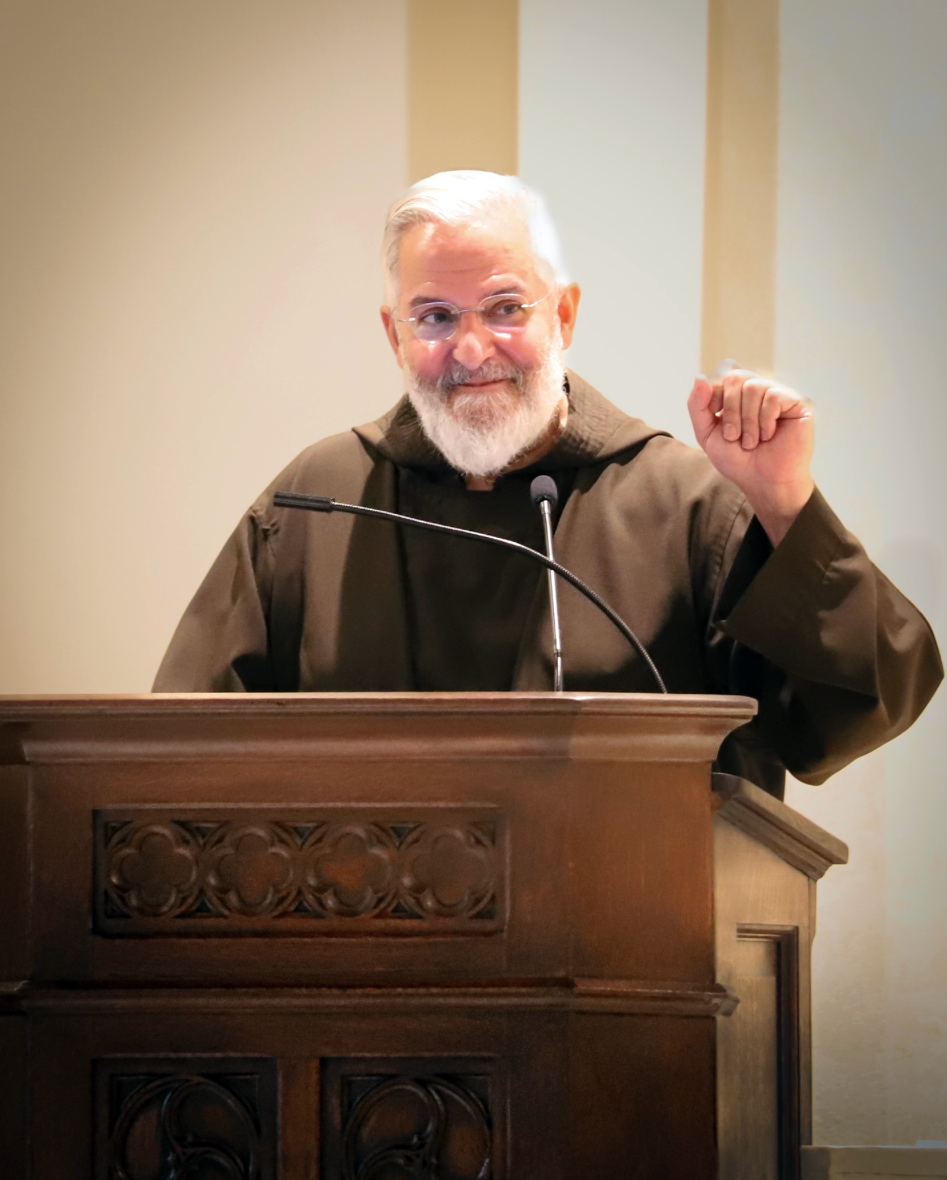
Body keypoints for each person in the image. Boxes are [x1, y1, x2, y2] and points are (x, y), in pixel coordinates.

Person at [153, 170, 942, 798]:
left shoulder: (686, 503)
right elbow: (179, 758)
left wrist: (782, 504)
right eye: (432, 317)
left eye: (503, 308)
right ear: (394, 335)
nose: (468, 349)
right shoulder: (314, 504)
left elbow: (848, 718)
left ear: (562, 317)